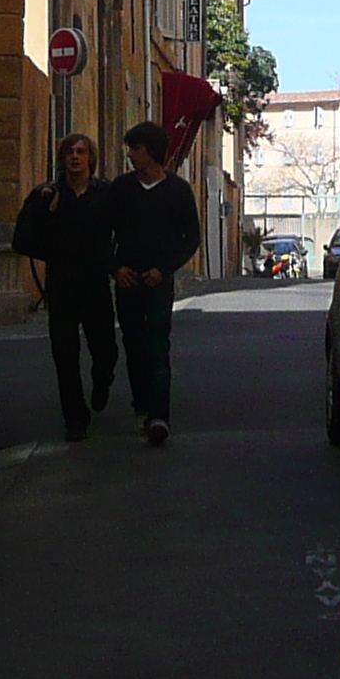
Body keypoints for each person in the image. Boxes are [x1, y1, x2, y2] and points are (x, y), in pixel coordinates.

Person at [102, 120, 203, 446]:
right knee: (134, 346)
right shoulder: (121, 189)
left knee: (158, 346)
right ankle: (142, 404)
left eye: (137, 149)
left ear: (153, 153)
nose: (131, 155)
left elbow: (191, 238)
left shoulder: (177, 190)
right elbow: (103, 234)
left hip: (158, 282)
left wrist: (165, 268)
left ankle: (159, 416)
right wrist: (116, 268)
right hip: (127, 281)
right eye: (131, 149)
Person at [13, 133, 117, 441]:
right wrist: (47, 213)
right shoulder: (46, 195)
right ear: (62, 158)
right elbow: (22, 240)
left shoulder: (105, 193)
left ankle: (102, 380)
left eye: (81, 152)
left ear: (90, 158)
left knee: (106, 349)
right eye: (69, 152)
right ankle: (75, 418)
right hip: (61, 283)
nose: (75, 157)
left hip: (96, 282)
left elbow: (123, 229)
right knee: (65, 354)